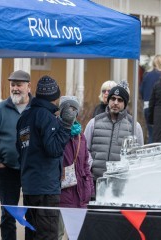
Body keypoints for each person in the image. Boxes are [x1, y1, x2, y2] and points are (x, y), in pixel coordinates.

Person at [16, 75, 77, 240]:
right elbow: (54, 149)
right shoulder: (46, 117)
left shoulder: (24, 117)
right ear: (55, 97)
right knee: (47, 236)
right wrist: (65, 125)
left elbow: (19, 149)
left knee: (32, 235)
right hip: (46, 190)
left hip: (30, 187)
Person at [0, 70, 32, 240]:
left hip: (31, 171)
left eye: (19, 84)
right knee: (8, 214)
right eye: (13, 85)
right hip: (7, 170)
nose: (15, 88)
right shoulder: (0, 109)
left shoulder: (36, 109)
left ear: (28, 86)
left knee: (33, 214)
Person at [84, 81, 144, 194]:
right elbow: (84, 149)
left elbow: (139, 155)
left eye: (120, 100)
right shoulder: (94, 122)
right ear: (108, 100)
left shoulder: (134, 126)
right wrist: (91, 166)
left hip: (121, 185)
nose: (115, 102)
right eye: (113, 99)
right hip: (96, 182)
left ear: (125, 103)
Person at [58, 96, 94, 240]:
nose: (71, 113)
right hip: (62, 193)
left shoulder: (81, 136)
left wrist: (89, 190)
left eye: (74, 109)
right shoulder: (57, 133)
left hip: (80, 194)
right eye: (67, 108)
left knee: (77, 235)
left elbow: (85, 165)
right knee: (58, 233)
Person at [139, 54, 161, 143]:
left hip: (147, 106)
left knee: (151, 134)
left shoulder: (147, 75)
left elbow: (141, 91)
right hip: (160, 108)